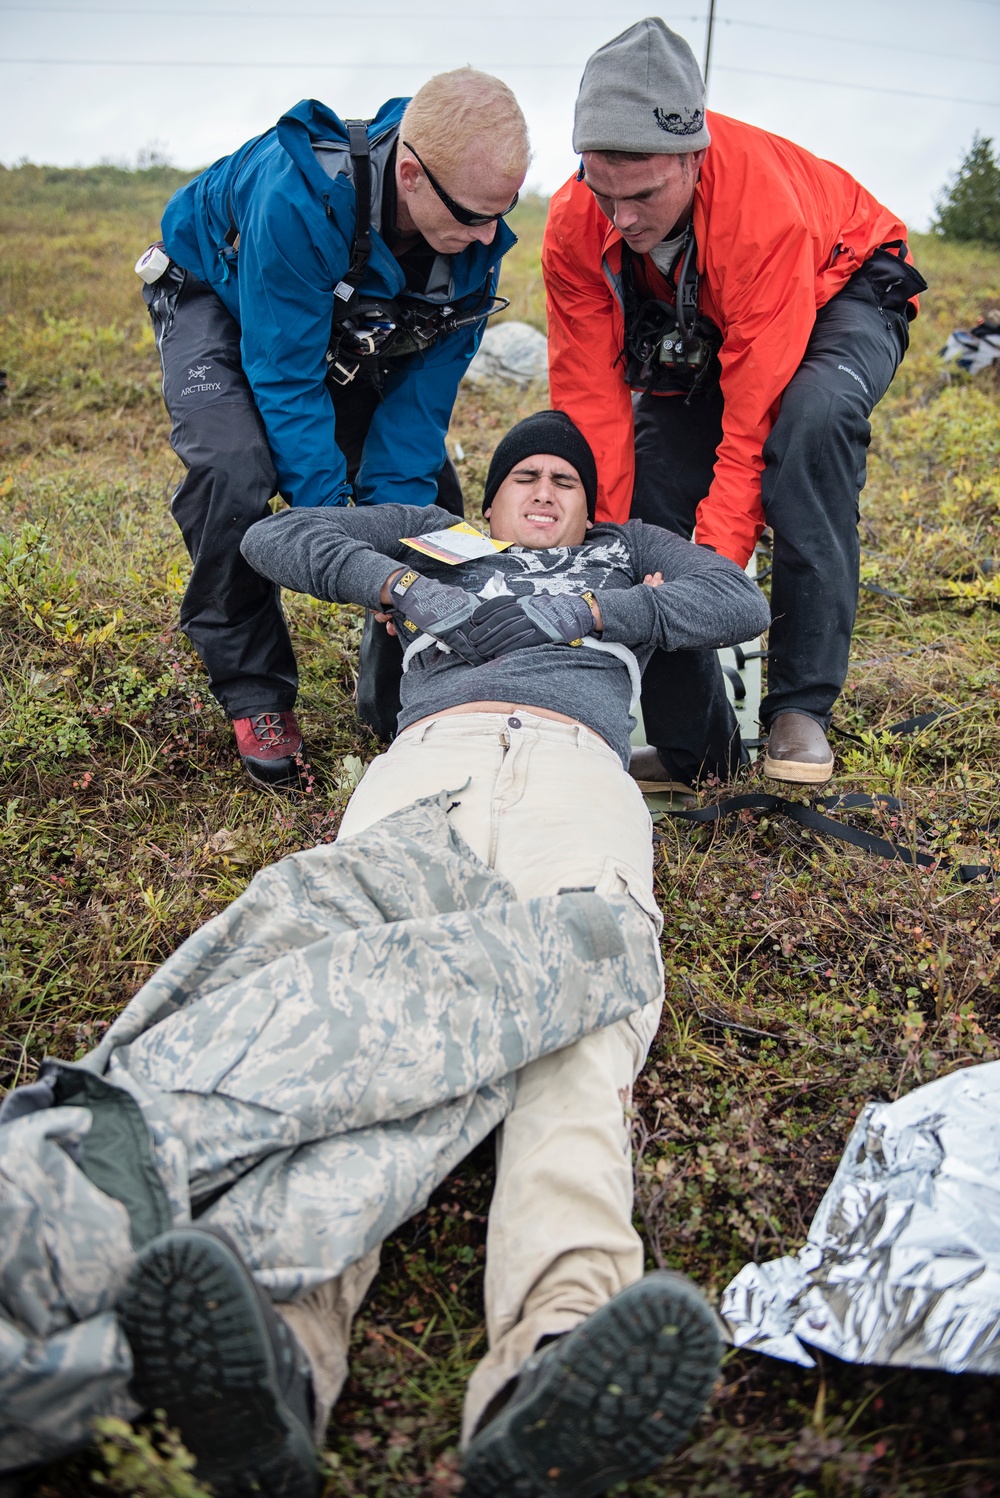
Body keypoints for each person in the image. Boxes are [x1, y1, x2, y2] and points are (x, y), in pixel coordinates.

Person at [0, 415, 768, 1498]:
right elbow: (280, 540)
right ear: (489, 500)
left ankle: (553, 1354)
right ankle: (279, 1353)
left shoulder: (625, 550)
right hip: (432, 759)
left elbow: (738, 600)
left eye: (564, 482)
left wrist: (598, 605)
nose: (543, 491)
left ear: (589, 507)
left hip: (579, 771)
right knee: (358, 1011)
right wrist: (409, 593)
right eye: (523, 478)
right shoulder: (429, 532)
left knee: (586, 1022)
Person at [542, 17, 927, 790]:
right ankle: (697, 749)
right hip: (703, 317)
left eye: (643, 193)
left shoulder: (760, 214)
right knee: (645, 485)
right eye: (601, 188)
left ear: (693, 155)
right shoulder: (575, 223)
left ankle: (799, 709)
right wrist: (613, 557)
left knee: (808, 426)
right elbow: (593, 407)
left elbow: (750, 424)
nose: (621, 217)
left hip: (837, 287)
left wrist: (710, 586)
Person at [138, 69, 528, 788]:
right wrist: (339, 544)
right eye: (473, 216)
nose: (487, 237)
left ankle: (404, 695)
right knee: (235, 470)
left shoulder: (475, 237)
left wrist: (393, 541)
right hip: (216, 291)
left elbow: (417, 412)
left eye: (500, 215)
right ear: (410, 175)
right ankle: (255, 692)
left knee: (429, 495)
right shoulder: (300, 196)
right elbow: (284, 376)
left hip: (345, 312)